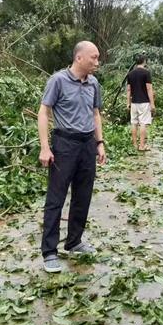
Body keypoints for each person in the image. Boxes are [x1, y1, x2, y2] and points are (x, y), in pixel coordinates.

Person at [38, 41, 106, 273]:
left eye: (98, 58)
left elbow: (95, 114)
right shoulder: (58, 81)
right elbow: (44, 112)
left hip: (87, 144)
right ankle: (49, 252)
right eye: (94, 58)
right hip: (64, 143)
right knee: (55, 198)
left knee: (83, 194)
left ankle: (74, 242)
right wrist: (45, 147)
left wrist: (100, 142)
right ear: (79, 58)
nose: (97, 62)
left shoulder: (94, 83)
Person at [126, 55, 155, 151]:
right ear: (144, 61)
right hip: (144, 102)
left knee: (133, 123)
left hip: (134, 102)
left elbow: (129, 90)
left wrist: (128, 103)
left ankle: (134, 145)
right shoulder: (146, 73)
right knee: (143, 123)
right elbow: (149, 88)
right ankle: (142, 146)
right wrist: (152, 103)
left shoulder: (130, 74)